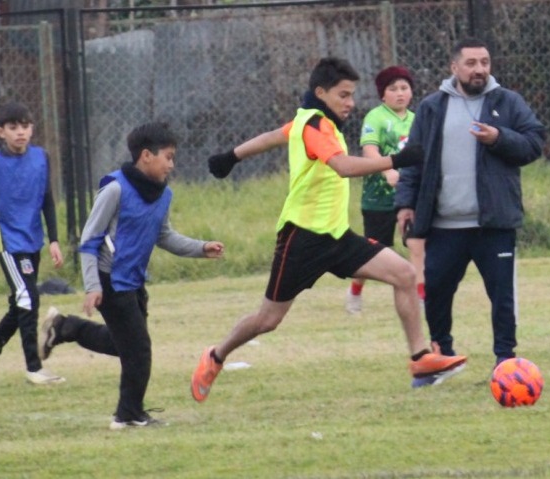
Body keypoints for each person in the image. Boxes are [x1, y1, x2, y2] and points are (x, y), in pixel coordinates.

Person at [192, 57, 466, 402]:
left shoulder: (307, 119)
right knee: (268, 319)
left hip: (336, 237)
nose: (350, 103)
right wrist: (397, 159)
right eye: (343, 95)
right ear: (321, 93)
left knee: (405, 274)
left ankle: (421, 359)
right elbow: (343, 166)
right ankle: (215, 355)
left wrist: (231, 156)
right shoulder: (315, 126)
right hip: (302, 239)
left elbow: (274, 136)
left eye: (352, 95)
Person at [39, 122, 224, 429]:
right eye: (168, 156)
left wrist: (201, 248)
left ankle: (64, 327)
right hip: (110, 280)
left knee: (121, 344)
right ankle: (127, 415)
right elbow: (89, 240)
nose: (172, 164)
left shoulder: (163, 195)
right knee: (139, 351)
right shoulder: (115, 189)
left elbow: (164, 236)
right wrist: (93, 285)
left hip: (134, 282)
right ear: (146, 156)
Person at [394, 38, 545, 387]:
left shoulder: (508, 103)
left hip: (493, 224)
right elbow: (413, 162)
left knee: (502, 296)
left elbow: (534, 143)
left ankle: (506, 363)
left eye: (485, 62)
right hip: (444, 225)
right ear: (454, 68)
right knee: (437, 292)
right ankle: (440, 356)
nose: (479, 69)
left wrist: (499, 138)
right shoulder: (432, 107)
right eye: (471, 63)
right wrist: (405, 203)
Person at [0, 102, 65, 386]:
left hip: (32, 239)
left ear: (32, 129)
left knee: (21, 302)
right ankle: (33, 367)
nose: (20, 132)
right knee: (27, 298)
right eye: (13, 127)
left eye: (25, 126)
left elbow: (47, 201)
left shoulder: (41, 157)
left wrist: (54, 239)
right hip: (6, 240)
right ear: (1, 132)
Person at [346, 65, 425, 315]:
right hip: (378, 199)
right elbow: (370, 149)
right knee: (374, 251)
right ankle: (356, 290)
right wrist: (387, 170)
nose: (400, 93)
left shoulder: (417, 120)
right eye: (393, 89)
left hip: (409, 197)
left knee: (416, 244)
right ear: (383, 94)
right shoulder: (376, 117)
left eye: (404, 88)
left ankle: (421, 298)